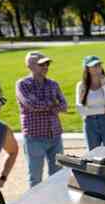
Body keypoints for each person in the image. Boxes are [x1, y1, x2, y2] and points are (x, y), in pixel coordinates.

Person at [16, 51, 67, 187]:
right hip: (35, 137)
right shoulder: (23, 84)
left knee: (57, 175)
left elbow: (64, 106)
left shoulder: (53, 84)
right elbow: (32, 105)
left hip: (55, 135)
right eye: (42, 64)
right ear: (30, 66)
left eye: (47, 63)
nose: (46, 67)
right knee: (35, 178)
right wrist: (52, 104)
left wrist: (46, 104)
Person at [75, 55, 105, 150]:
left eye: (99, 64)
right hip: (90, 124)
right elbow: (81, 110)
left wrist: (104, 86)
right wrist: (104, 110)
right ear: (87, 69)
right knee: (92, 155)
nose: (98, 67)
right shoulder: (81, 86)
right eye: (94, 65)